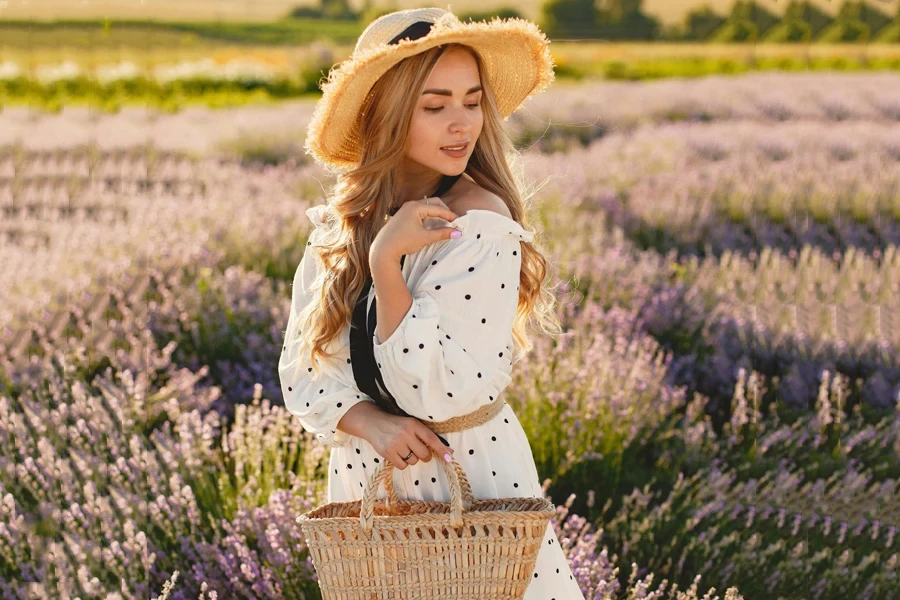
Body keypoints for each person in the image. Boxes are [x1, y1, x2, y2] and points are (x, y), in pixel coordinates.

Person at [279, 7, 585, 599]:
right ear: (387, 115)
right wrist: (366, 420)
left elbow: (440, 393)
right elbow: (300, 373)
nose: (461, 124)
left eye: (473, 101)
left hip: (468, 477)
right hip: (372, 481)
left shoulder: (479, 223)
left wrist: (387, 269)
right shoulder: (340, 229)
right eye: (435, 104)